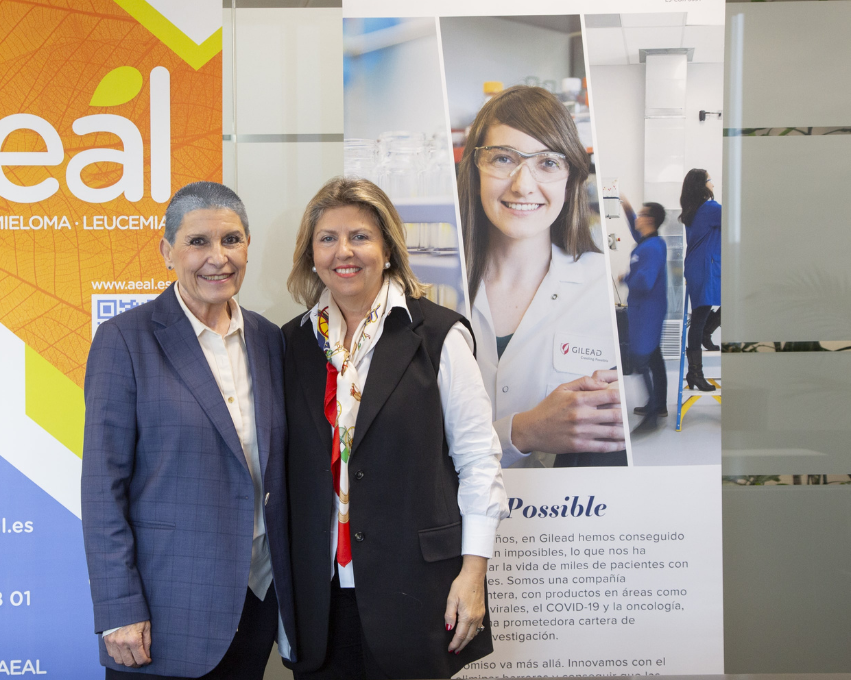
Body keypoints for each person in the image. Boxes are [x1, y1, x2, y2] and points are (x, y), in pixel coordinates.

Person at [282, 177, 507, 679]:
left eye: (360, 236)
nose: (344, 251)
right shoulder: (291, 344)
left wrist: (474, 574)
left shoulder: (439, 336)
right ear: (311, 255)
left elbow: (478, 462)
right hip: (319, 599)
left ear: (387, 249)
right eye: (328, 238)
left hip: (417, 592)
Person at [81, 182, 295, 679]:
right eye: (198, 241)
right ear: (167, 252)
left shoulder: (269, 339)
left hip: (256, 601)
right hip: (162, 613)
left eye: (232, 240)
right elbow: (102, 488)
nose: (217, 257)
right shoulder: (125, 340)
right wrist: (119, 608)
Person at [456, 85, 625, 468]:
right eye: (502, 159)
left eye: (548, 162)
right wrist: (523, 432)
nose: (522, 184)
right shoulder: (427, 293)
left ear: (571, 178)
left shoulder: (606, 287)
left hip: (568, 521)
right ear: (474, 171)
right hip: (449, 525)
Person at [621, 199, 669, 420]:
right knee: (655, 357)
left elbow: (644, 282)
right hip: (650, 309)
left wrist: (626, 277)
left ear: (649, 220)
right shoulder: (651, 242)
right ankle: (659, 405)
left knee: (641, 359)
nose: (637, 219)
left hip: (647, 312)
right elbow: (634, 226)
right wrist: (626, 206)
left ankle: (652, 410)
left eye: (641, 215)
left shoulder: (650, 248)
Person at [680, 168, 720, 391]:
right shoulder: (711, 209)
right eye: (710, 180)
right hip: (705, 268)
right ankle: (695, 373)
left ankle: (705, 334)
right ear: (702, 185)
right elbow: (735, 221)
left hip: (696, 267)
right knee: (699, 318)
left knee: (699, 317)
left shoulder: (692, 210)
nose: (713, 184)